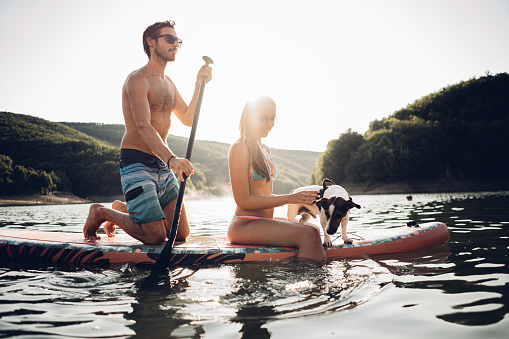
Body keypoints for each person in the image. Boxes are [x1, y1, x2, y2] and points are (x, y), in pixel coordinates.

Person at [83, 20, 212, 245]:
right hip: (137, 162)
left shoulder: (169, 83)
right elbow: (143, 126)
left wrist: (199, 84)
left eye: (178, 41)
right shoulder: (137, 80)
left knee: (180, 234)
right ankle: (100, 212)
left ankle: (124, 209)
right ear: (151, 42)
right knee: (155, 236)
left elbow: (188, 118)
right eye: (169, 39)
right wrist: (172, 159)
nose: (175, 44)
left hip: (161, 163)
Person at [227, 96, 326, 261]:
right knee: (310, 234)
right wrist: (289, 198)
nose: (269, 124)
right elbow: (243, 201)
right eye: (263, 118)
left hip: (264, 221)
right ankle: (311, 285)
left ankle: (298, 270)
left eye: (272, 119)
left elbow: (263, 195)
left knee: (312, 227)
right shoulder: (239, 148)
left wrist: (298, 199)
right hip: (245, 225)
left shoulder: (265, 148)